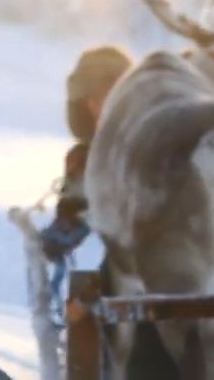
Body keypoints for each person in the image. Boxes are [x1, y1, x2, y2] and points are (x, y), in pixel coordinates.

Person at [39, 45, 134, 324]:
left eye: (106, 96)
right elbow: (73, 218)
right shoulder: (86, 158)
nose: (95, 107)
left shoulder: (157, 142)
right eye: (90, 100)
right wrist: (60, 234)